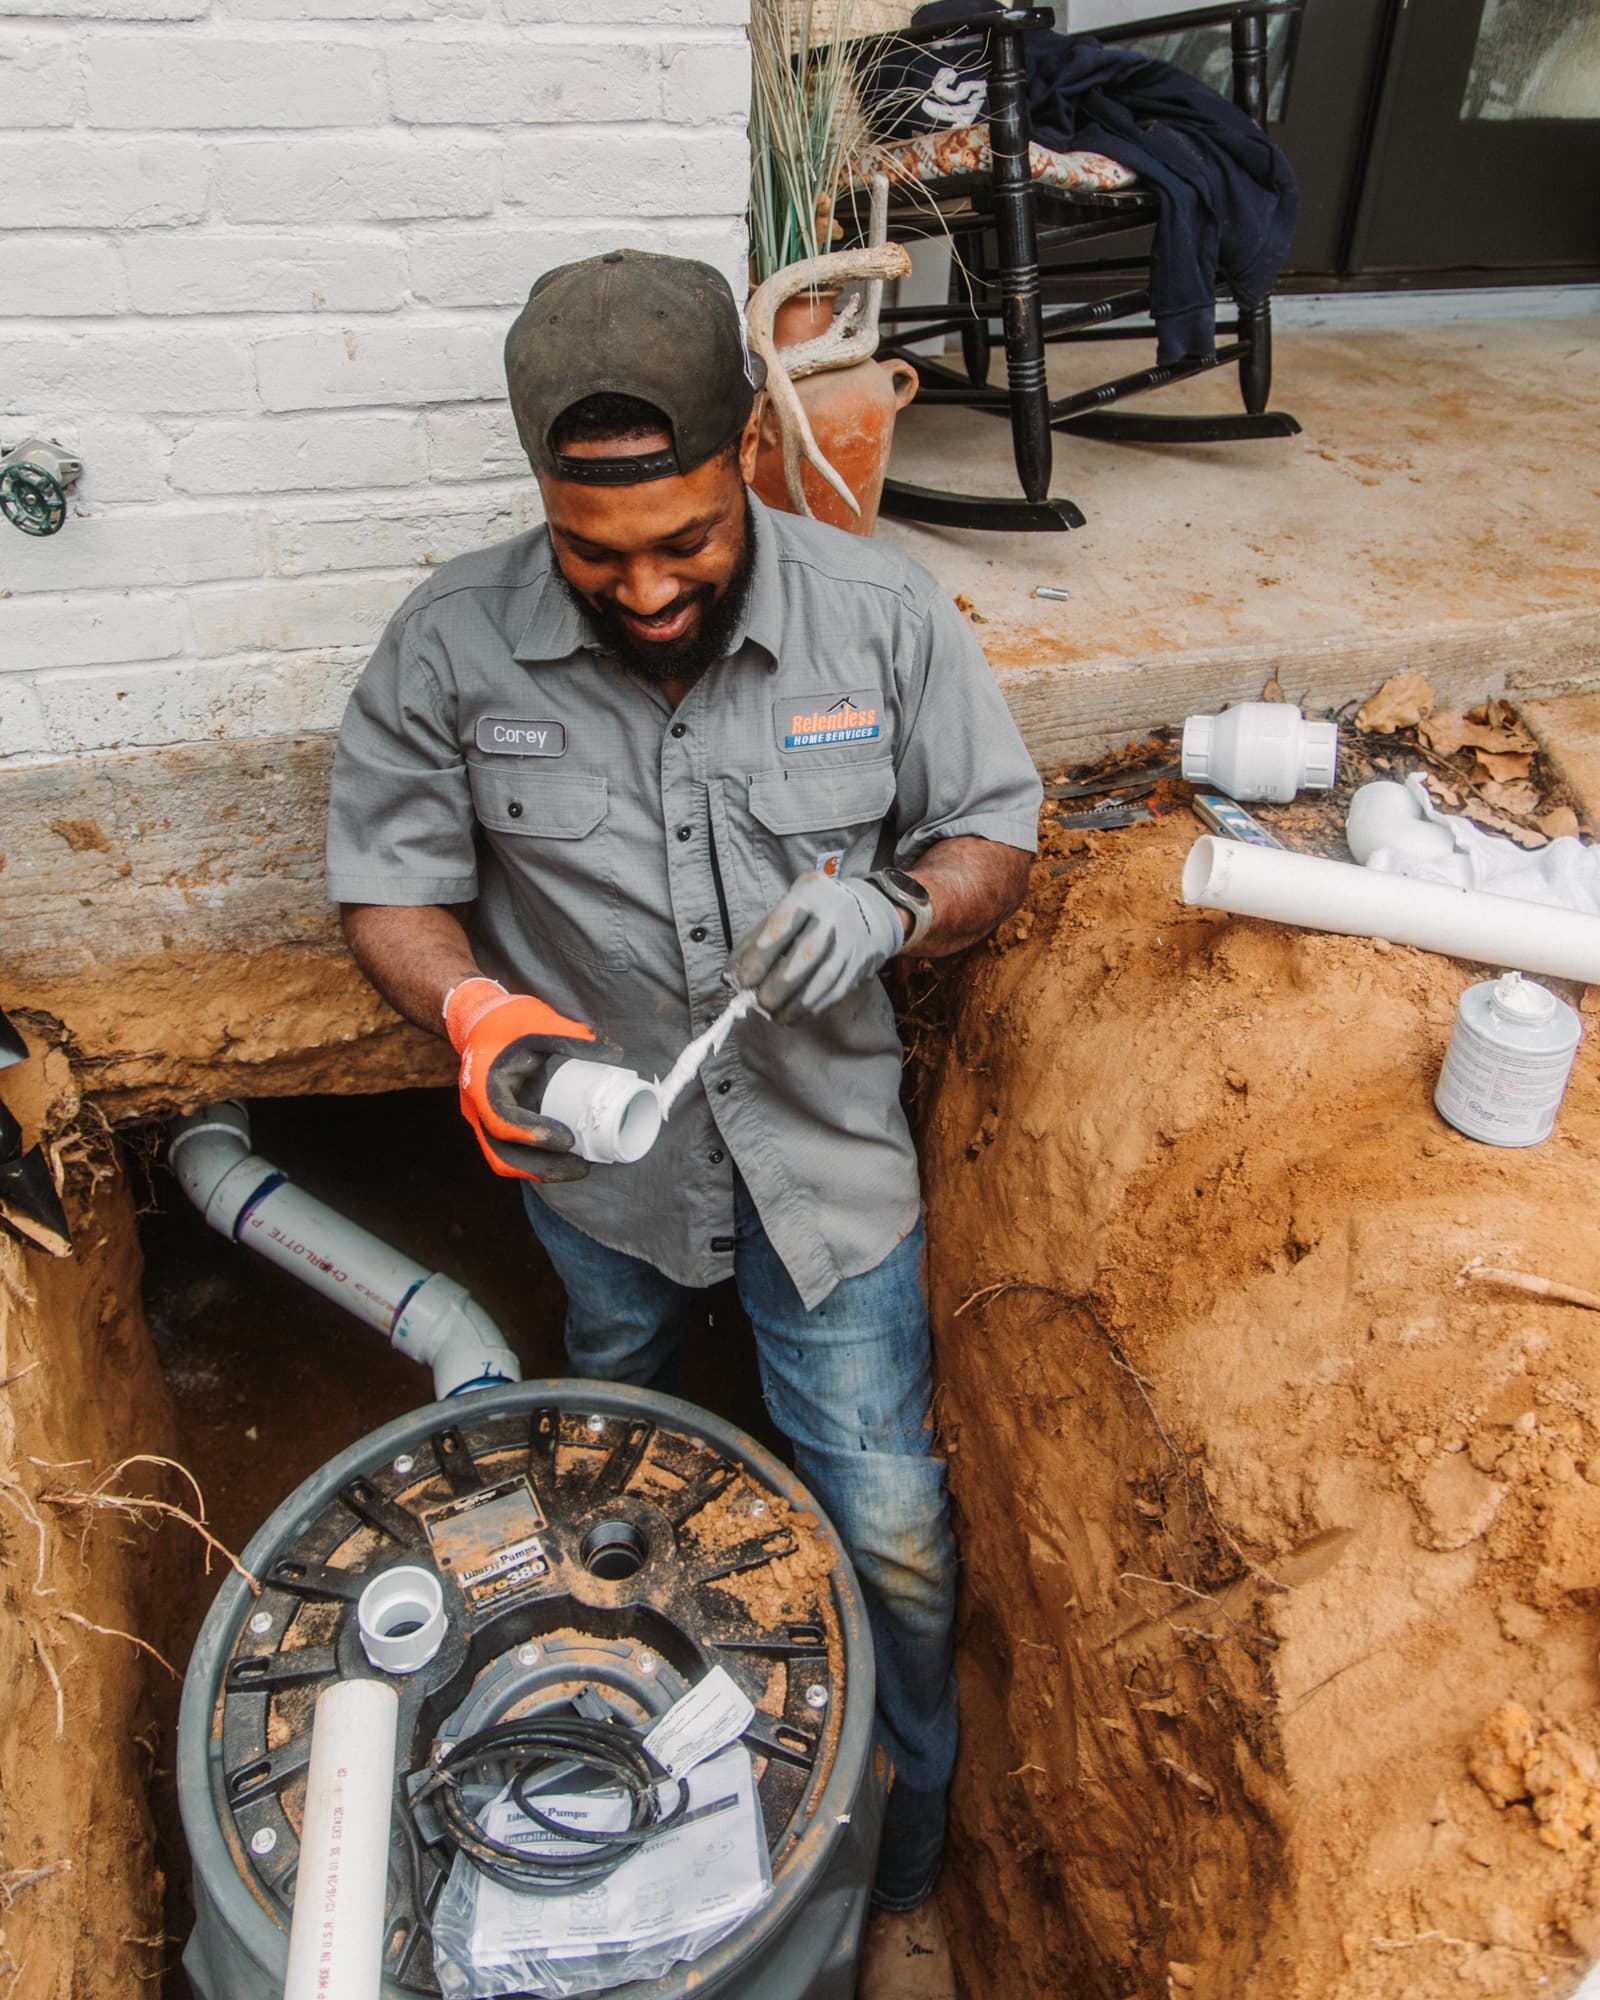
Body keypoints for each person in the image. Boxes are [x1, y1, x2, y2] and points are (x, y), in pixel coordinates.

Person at [325, 249, 1042, 1912]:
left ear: (750, 463)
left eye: (687, 542)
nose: (645, 589)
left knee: (891, 1536)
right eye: (596, 554)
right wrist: (484, 1021)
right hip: (604, 1188)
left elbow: (995, 831)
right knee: (602, 1480)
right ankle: (616, 1778)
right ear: (540, 506)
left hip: (824, 1173)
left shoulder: (881, 616)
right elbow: (389, 885)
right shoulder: (450, 643)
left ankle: (901, 1854)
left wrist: (896, 902)